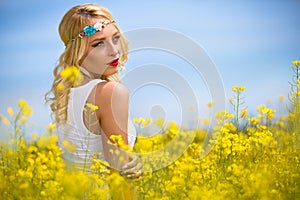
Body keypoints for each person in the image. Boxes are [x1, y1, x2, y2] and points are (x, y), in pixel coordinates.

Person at [45, 3, 142, 183]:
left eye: (115, 38)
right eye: (98, 44)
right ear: (78, 51)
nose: (114, 51)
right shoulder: (109, 92)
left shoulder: (67, 95)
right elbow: (120, 180)